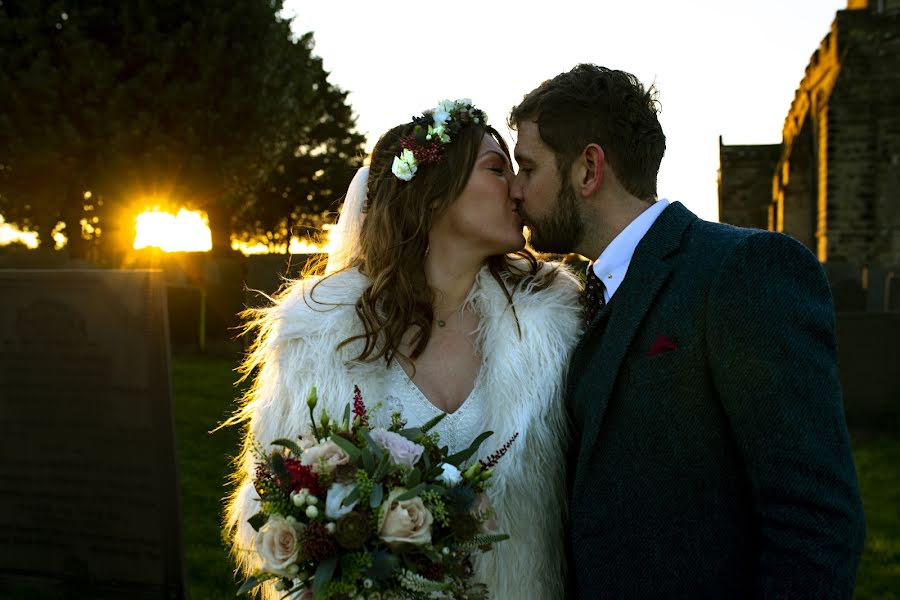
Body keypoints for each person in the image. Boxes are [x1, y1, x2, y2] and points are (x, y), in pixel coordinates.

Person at [508, 64, 867, 598]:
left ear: (588, 169)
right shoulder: (582, 296)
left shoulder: (743, 270)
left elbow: (814, 518)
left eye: (527, 167)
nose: (514, 190)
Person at [224, 99, 582, 599]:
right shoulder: (318, 335)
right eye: (497, 169)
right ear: (434, 195)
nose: (519, 189)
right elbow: (272, 497)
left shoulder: (553, 330)